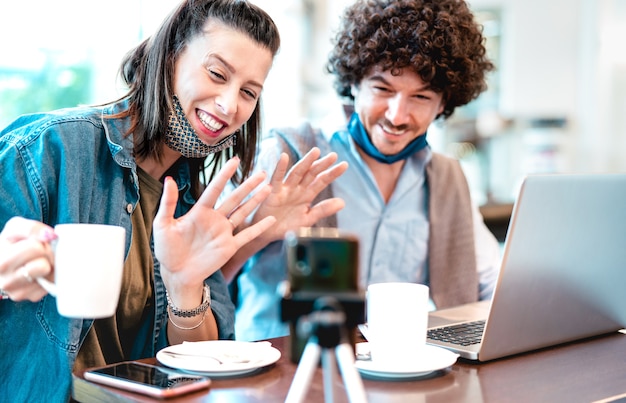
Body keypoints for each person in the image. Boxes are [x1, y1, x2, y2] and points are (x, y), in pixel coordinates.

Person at [0, 0, 347, 400]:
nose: (230, 105)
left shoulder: (192, 201)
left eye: (249, 92)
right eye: (217, 73)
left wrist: (185, 286)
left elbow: (199, 361)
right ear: (168, 57)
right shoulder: (50, 146)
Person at [228, 0, 502, 342]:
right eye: (382, 89)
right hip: (284, 370)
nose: (398, 116)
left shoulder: (447, 178)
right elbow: (209, 275)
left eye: (421, 97)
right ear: (355, 81)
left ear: (444, 102)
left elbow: (492, 282)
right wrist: (259, 230)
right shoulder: (287, 154)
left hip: (396, 372)